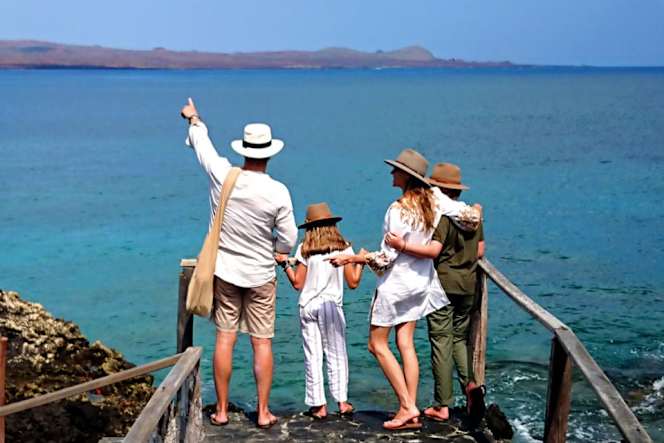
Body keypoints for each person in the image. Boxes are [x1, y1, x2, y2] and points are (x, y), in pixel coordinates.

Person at [329, 149, 479, 430]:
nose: (392, 173)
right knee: (405, 343)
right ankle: (409, 409)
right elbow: (471, 218)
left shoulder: (397, 210)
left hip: (396, 286)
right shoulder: (435, 201)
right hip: (421, 284)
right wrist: (478, 210)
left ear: (406, 177)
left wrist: (353, 259)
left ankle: (408, 406)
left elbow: (386, 259)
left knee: (376, 345)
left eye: (396, 169)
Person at [180, 98, 297, 429]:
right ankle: (263, 411)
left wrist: (194, 118)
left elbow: (203, 147)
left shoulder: (223, 175)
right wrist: (275, 250)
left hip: (225, 272)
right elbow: (288, 239)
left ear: (244, 151)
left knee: (225, 338)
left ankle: (220, 411)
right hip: (261, 274)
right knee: (261, 343)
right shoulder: (278, 191)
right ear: (269, 154)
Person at [385, 162, 485, 422]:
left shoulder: (441, 217)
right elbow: (480, 250)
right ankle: (470, 385)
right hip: (468, 283)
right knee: (459, 339)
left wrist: (402, 245)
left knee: (441, 341)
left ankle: (443, 404)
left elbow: (434, 250)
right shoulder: (471, 217)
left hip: (442, 284)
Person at [275, 202, 364, 419]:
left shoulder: (305, 249)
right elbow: (353, 282)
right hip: (331, 305)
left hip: (308, 306)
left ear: (309, 227)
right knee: (336, 353)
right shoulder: (344, 247)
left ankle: (318, 406)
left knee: (312, 355)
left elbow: (298, 283)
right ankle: (342, 403)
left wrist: (285, 265)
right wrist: (361, 261)